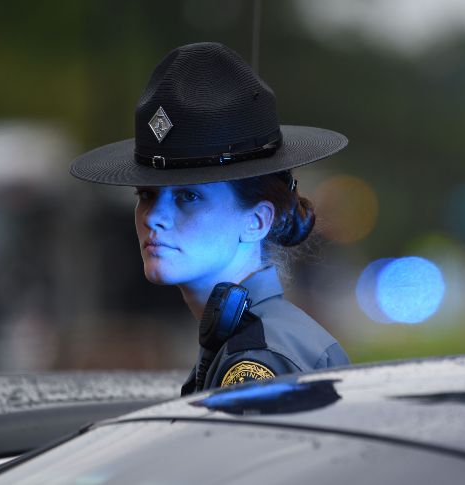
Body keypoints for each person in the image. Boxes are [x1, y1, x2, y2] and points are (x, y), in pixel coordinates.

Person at [70, 42, 351, 395]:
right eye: (146, 194)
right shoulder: (248, 338)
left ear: (257, 221)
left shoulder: (255, 362)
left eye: (189, 196)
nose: (154, 217)